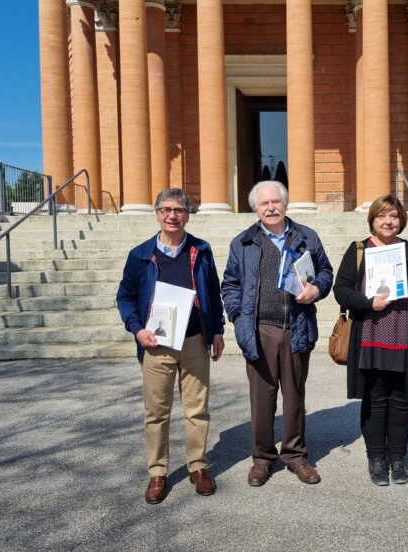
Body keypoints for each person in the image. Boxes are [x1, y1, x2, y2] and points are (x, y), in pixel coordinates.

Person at [117, 188, 225, 504]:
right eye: (166, 209)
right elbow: (124, 297)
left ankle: (198, 466)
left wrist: (217, 330)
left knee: (197, 409)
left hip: (194, 340)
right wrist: (137, 330)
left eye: (178, 210)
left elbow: (214, 293)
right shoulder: (140, 255)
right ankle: (158, 472)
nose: (172, 216)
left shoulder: (201, 250)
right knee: (157, 412)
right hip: (156, 344)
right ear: (157, 213)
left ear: (187, 215)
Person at [221, 181, 333, 487]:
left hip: (296, 326)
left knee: (295, 397)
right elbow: (230, 283)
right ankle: (262, 459)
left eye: (275, 202)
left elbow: (326, 272)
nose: (270, 207)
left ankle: (295, 456)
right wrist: (238, 316)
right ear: (255, 209)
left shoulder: (306, 237)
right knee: (262, 399)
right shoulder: (242, 242)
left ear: (285, 204)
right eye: (264, 204)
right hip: (260, 329)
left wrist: (317, 289)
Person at [333, 195, 408, 486]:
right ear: (373, 219)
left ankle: (398, 458)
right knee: (375, 399)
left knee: (402, 400)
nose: (388, 221)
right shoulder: (359, 250)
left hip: (406, 337)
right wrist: (368, 302)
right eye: (382, 216)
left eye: (393, 216)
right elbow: (341, 289)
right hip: (370, 335)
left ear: (401, 220)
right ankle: (376, 459)